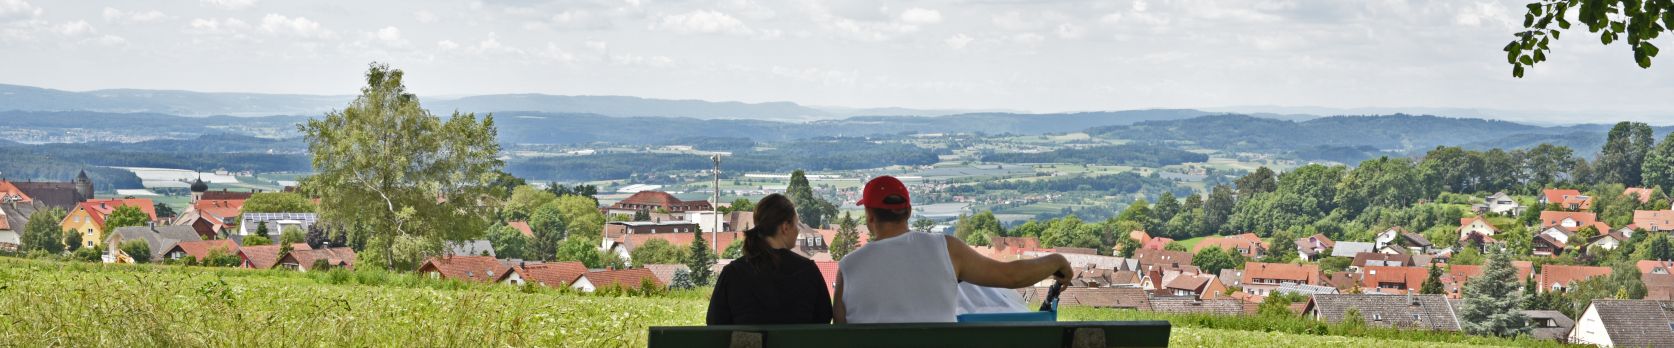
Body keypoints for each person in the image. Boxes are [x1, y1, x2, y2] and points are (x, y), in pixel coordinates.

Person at [833, 176, 1073, 324]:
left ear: (870, 217)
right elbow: (1011, 276)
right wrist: (1056, 260)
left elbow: (841, 333)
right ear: (908, 212)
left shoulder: (848, 267)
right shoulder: (945, 249)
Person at [706, 194, 834, 325]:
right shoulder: (808, 271)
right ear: (785, 227)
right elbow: (824, 317)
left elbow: (714, 321)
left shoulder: (733, 273)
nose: (798, 231)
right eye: (796, 225)